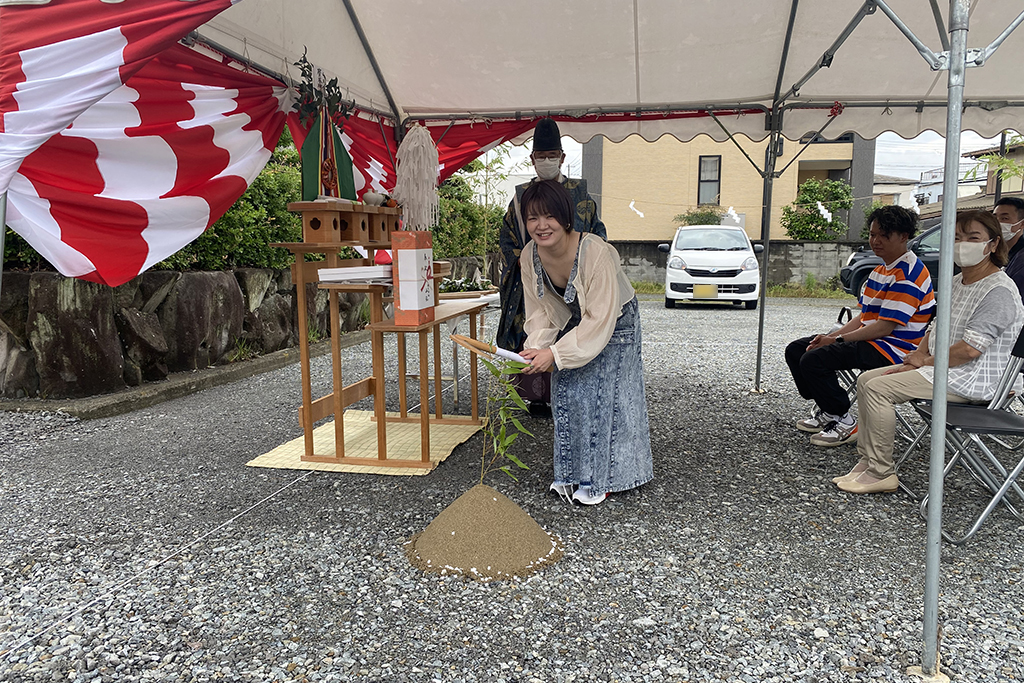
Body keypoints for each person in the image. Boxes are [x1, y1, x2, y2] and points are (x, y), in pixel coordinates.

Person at [836, 210, 1024, 493]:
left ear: (993, 244)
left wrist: (925, 360)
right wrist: (917, 358)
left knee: (879, 389)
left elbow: (970, 350)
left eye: (973, 238)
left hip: (976, 380)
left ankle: (881, 472)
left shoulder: (998, 290)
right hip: (944, 369)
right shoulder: (957, 281)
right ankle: (867, 461)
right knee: (866, 381)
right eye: (957, 238)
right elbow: (934, 327)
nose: (963, 245)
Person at [517, 180, 652, 505]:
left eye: (548, 216)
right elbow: (540, 310)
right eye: (532, 218)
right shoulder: (529, 256)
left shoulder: (596, 252)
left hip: (617, 319)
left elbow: (601, 318)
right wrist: (538, 348)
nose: (541, 225)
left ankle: (602, 481)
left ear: (565, 218)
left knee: (606, 394)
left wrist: (556, 353)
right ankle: (569, 475)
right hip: (581, 318)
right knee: (566, 387)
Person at [785, 205, 935, 446]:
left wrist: (836, 340)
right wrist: (830, 335)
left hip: (894, 348)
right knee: (797, 349)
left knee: (814, 359)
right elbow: (865, 316)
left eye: (884, 235)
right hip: (874, 339)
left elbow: (885, 327)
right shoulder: (881, 269)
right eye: (873, 234)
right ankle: (829, 410)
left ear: (904, 236)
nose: (876, 241)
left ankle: (844, 420)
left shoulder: (908, 273)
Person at [495, 118, 607, 415]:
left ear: (562, 157)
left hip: (581, 281)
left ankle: (576, 392)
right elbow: (507, 238)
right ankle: (538, 396)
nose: (546, 161)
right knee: (536, 328)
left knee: (582, 330)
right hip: (532, 279)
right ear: (532, 159)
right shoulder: (519, 200)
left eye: (551, 156)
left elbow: (597, 236)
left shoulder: (581, 197)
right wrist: (525, 262)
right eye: (540, 156)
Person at [994, 196, 1024, 299]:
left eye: (1004, 218)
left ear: (1022, 224)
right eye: (995, 218)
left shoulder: (1021, 259)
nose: (997, 223)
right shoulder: (994, 253)